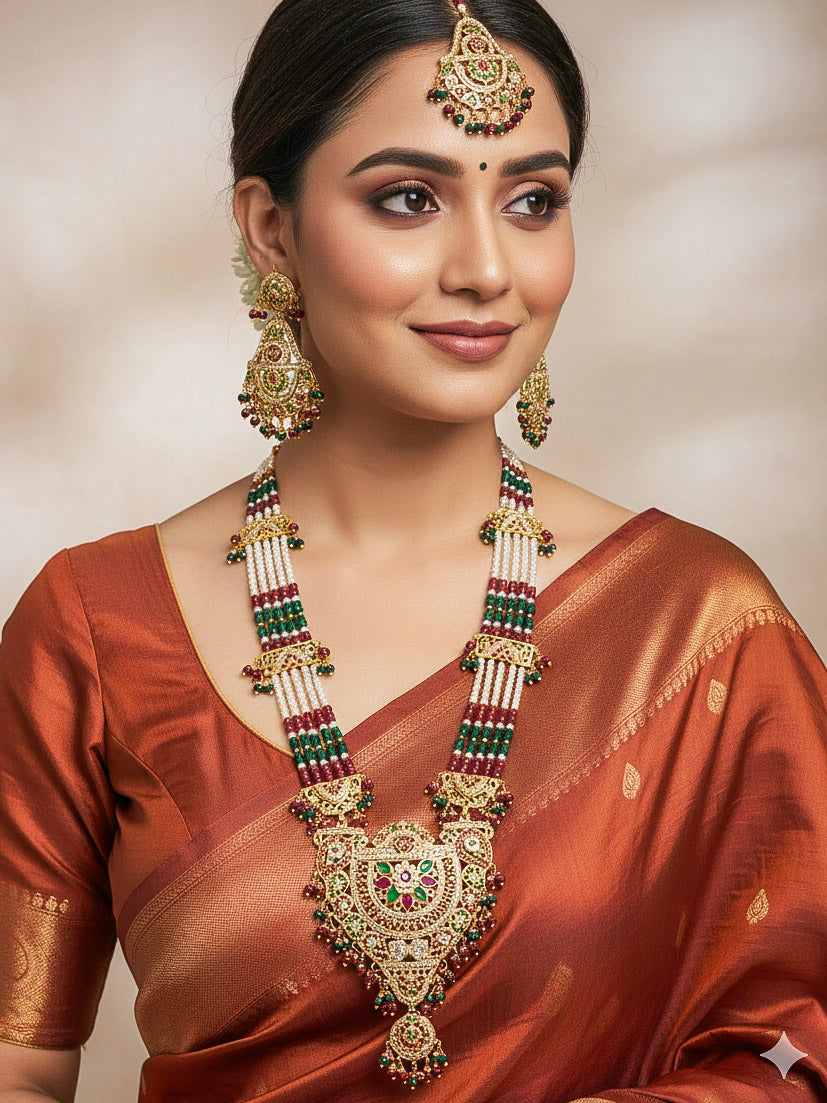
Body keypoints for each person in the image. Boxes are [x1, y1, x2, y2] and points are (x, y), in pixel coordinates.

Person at [1, 0, 825, 1100]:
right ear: (271, 225)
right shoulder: (97, 624)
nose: (487, 267)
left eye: (532, 200)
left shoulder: (696, 623)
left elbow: (795, 1042)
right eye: (408, 197)